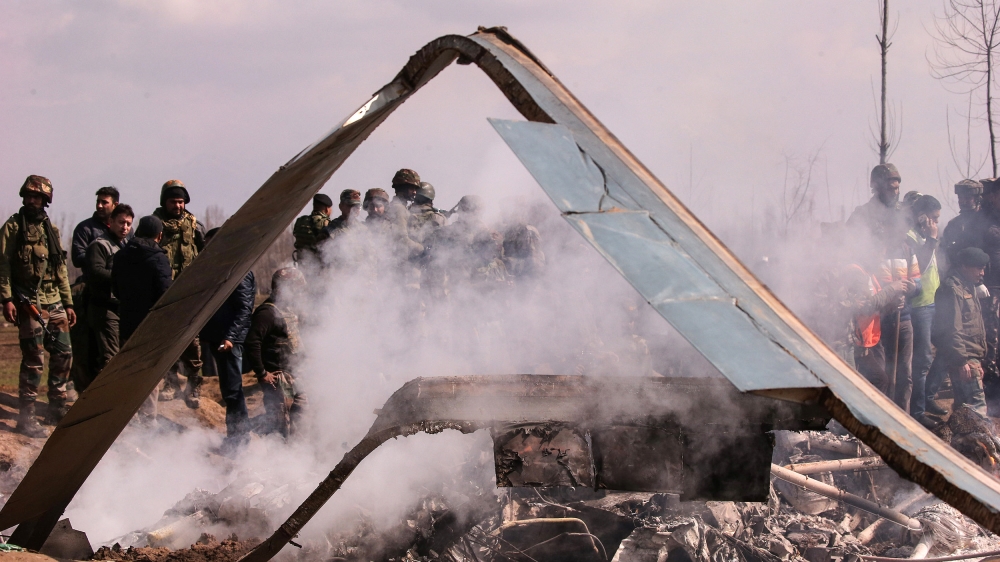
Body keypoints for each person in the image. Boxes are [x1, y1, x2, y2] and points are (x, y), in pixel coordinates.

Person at [0, 176, 76, 435]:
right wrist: (7, 299)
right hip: (28, 301)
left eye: (37, 197)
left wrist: (68, 303)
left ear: (45, 200)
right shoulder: (12, 227)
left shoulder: (50, 230)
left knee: (64, 353)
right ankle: (27, 416)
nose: (32, 200)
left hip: (54, 300)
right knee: (34, 359)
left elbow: (61, 270)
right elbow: (3, 266)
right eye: (29, 196)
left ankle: (56, 408)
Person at [198, 228, 256, 445]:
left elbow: (244, 309)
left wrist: (230, 337)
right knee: (228, 389)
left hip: (230, 340)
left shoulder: (238, 271)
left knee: (233, 390)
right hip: (219, 337)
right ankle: (236, 436)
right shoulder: (218, 270)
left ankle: (239, 439)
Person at [112, 216, 172, 422]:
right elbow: (166, 294)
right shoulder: (158, 258)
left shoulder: (121, 256)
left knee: (128, 371)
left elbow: (116, 290)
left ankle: (127, 417)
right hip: (151, 326)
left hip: (127, 323)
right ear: (159, 235)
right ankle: (148, 419)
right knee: (149, 375)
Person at [152, 179, 207, 407]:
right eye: (174, 201)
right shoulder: (154, 224)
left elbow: (205, 253)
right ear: (165, 202)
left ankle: (194, 387)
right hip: (163, 292)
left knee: (192, 342)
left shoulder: (194, 225)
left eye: (182, 201)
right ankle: (170, 383)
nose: (178, 206)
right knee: (165, 340)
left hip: (189, 292)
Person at [69, 186, 120, 397]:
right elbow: (77, 258)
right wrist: (99, 256)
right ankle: (82, 392)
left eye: (104, 202)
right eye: (98, 201)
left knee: (110, 349)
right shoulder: (85, 228)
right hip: (88, 291)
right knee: (84, 346)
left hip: (116, 297)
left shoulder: (124, 228)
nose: (99, 205)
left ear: (114, 204)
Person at [245, 268, 306, 437]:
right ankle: (278, 455)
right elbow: (252, 342)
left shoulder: (288, 310)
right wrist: (262, 372)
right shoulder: (267, 313)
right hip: (281, 379)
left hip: (296, 375)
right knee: (281, 420)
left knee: (301, 416)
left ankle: (299, 451)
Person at [932, 247, 991, 416]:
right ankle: (981, 442)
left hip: (970, 357)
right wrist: (962, 361)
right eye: (979, 268)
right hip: (964, 358)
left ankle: (962, 442)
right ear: (965, 266)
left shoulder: (967, 286)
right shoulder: (952, 289)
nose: (982, 273)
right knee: (977, 409)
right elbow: (952, 329)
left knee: (964, 410)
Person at [81, 204, 133, 389]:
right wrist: (121, 278)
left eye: (128, 223)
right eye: (121, 222)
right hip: (103, 307)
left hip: (121, 307)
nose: (124, 227)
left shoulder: (126, 245)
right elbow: (95, 271)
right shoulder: (99, 245)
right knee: (110, 359)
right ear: (110, 222)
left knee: (122, 356)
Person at [906, 195, 942, 419]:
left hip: (933, 302)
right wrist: (932, 239)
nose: (936, 222)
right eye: (934, 218)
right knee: (921, 360)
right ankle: (917, 412)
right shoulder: (911, 237)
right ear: (923, 216)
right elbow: (920, 266)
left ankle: (928, 397)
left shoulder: (924, 235)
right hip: (919, 307)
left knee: (947, 348)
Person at [847, 163, 904, 242]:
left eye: (897, 188)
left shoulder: (903, 212)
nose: (895, 193)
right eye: (890, 188)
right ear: (878, 189)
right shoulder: (862, 215)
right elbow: (848, 244)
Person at [941, 179, 983, 268]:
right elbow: (943, 250)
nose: (963, 201)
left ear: (977, 199)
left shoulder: (987, 222)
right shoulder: (953, 224)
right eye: (960, 198)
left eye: (968, 198)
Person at [292, 193, 334, 261]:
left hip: (303, 263)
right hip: (319, 266)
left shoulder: (300, 221)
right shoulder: (327, 223)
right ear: (327, 209)